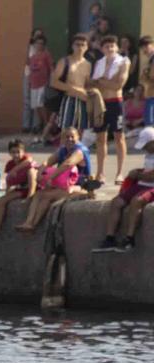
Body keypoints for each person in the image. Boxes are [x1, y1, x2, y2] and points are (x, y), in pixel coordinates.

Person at [95, 126, 154, 253]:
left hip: (152, 186)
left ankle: (129, 239)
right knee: (117, 202)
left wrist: (137, 175)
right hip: (142, 183)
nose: (144, 148)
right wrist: (138, 172)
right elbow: (148, 172)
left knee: (136, 201)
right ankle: (110, 238)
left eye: (146, 145)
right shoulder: (149, 154)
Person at [89, 34, 130, 185]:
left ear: (117, 47)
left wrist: (101, 81)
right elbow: (93, 84)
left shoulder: (123, 61)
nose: (110, 48)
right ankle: (100, 172)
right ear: (102, 48)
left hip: (115, 102)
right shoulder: (99, 63)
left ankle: (120, 173)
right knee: (100, 138)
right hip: (101, 102)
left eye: (112, 45)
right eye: (107, 46)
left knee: (119, 136)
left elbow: (118, 85)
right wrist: (106, 82)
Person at [0, 139, 37, 236]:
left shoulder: (26, 158)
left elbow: (28, 162)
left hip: (33, 187)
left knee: (31, 171)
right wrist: (7, 194)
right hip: (21, 189)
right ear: (9, 153)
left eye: (18, 152)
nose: (16, 155)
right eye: (13, 152)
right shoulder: (10, 164)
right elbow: (9, 181)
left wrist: (15, 169)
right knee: (1, 201)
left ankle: (30, 196)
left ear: (23, 151)